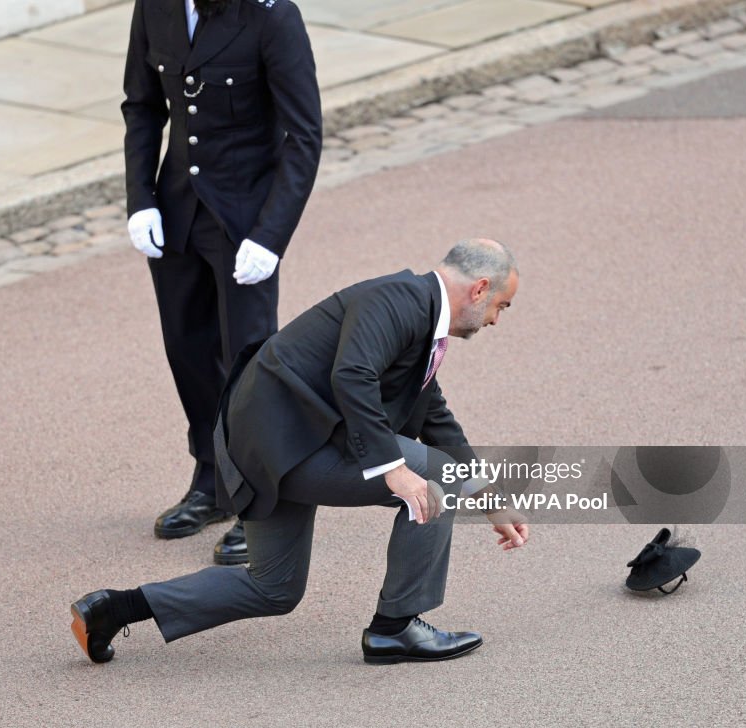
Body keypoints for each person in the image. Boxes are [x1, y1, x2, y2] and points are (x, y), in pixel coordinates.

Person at [71, 240, 528, 665]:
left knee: (272, 588)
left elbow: (435, 416)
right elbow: (353, 376)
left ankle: (115, 608)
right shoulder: (399, 299)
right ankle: (396, 626)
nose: (496, 320)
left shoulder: (417, 314)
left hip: (274, 444)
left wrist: (488, 498)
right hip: (287, 443)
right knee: (434, 474)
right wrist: (394, 470)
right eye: (501, 306)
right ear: (480, 288)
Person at [122, 0, 322, 563]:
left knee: (251, 366)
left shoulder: (271, 15)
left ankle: (259, 499)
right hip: (177, 213)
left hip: (246, 221)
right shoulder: (155, 6)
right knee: (186, 350)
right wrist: (141, 199)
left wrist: (271, 235)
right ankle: (212, 481)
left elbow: (304, 137)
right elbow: (141, 107)